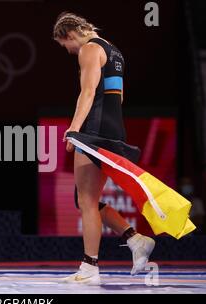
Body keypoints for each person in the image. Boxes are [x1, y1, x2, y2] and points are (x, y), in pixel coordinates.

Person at [52, 12, 155, 285]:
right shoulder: (115, 51)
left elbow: (87, 92)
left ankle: (89, 268)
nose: (69, 51)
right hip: (113, 128)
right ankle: (135, 240)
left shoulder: (88, 49)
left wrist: (74, 129)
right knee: (85, 199)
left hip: (94, 130)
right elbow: (118, 97)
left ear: (70, 35)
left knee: (86, 201)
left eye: (66, 46)